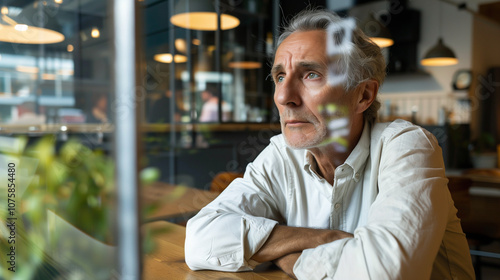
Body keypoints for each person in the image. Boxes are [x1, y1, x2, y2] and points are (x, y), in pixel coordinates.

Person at [185, 9, 474, 280]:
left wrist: (289, 259)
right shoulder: (281, 154)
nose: (285, 96)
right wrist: (324, 239)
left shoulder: (407, 146)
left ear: (363, 95)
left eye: (311, 74)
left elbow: (385, 271)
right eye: (280, 76)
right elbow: (200, 239)